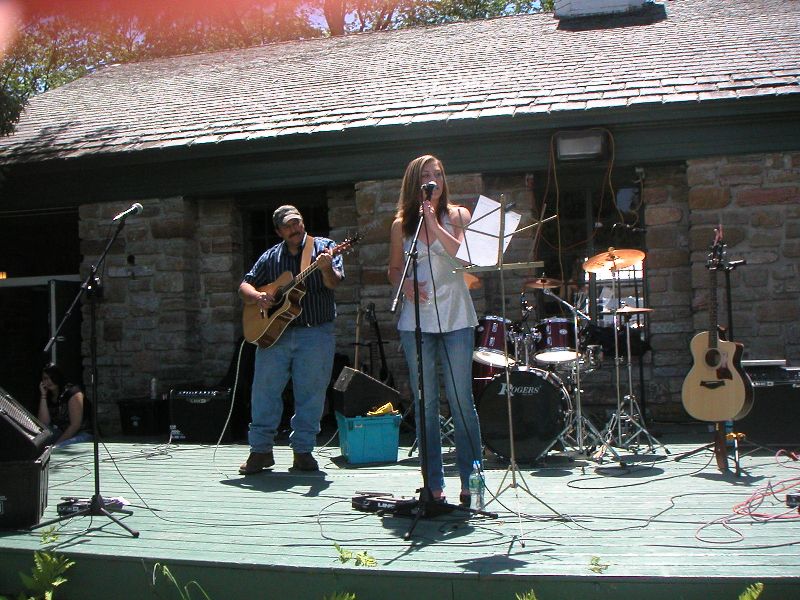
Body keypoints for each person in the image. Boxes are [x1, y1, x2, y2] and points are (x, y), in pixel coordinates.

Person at [388, 154, 483, 507]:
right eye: (426, 175)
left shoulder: (458, 215)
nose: (434, 180)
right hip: (418, 321)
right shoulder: (401, 225)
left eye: (438, 174)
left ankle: (471, 481)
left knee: (461, 401)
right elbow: (393, 269)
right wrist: (406, 284)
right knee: (426, 403)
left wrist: (433, 221)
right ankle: (433, 484)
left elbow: (463, 257)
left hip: (456, 316)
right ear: (414, 183)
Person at [238, 205, 344, 474]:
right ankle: (261, 451)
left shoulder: (325, 247)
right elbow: (244, 286)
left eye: (297, 222)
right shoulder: (270, 256)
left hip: (315, 332)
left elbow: (334, 283)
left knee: (311, 393)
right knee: (264, 392)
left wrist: (326, 268)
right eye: (287, 225)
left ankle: (303, 451)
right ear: (279, 231)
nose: (294, 228)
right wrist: (258, 297)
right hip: (275, 334)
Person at [37, 363, 91, 447]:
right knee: (40, 439)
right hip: (62, 432)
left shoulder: (73, 392)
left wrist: (56, 445)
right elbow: (44, 424)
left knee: (59, 448)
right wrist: (43, 396)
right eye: (45, 378)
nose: (49, 381)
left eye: (52, 377)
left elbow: (75, 425)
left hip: (82, 433)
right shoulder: (49, 395)